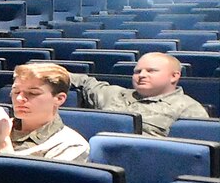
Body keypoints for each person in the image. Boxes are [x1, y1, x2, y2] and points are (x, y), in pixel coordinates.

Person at [72, 52, 210, 137]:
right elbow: (85, 82)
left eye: (151, 71)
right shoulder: (114, 94)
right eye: (137, 72)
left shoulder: (189, 109)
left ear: (174, 76)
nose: (142, 75)